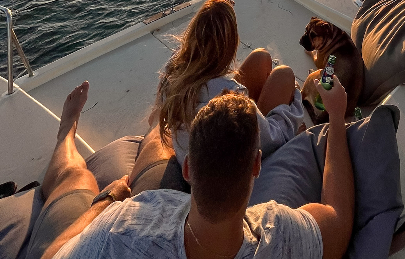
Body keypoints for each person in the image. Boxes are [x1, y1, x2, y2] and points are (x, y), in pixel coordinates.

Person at [30, 75, 355, 259]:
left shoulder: (124, 227)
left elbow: (51, 255)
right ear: (256, 164)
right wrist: (337, 118)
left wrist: (107, 202)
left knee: (77, 177)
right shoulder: (279, 235)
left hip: (114, 214)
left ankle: (66, 134)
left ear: (187, 169)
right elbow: (338, 221)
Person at [153, 0, 304, 163]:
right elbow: (271, 140)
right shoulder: (229, 99)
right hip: (227, 167)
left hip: (196, 158)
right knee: (284, 75)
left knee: (261, 57)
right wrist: (293, 99)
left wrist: (220, 9)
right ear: (230, 44)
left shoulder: (173, 72)